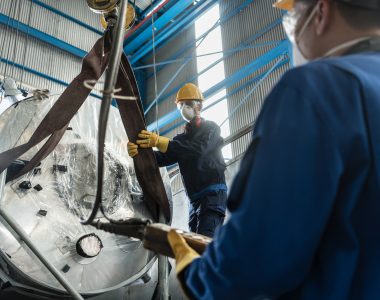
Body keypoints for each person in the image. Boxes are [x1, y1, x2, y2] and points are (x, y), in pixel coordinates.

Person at [166, 0, 380, 299]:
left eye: (294, 15)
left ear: (321, 11)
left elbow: (259, 253)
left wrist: (197, 277)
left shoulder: (316, 89)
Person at [128, 83, 227, 237]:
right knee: (194, 247)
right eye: (181, 105)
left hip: (213, 195)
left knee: (205, 241)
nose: (183, 108)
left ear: (199, 106)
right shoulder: (181, 140)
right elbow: (162, 158)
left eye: (188, 104)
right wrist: (139, 154)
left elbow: (198, 148)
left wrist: (160, 142)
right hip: (194, 202)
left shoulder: (211, 129)